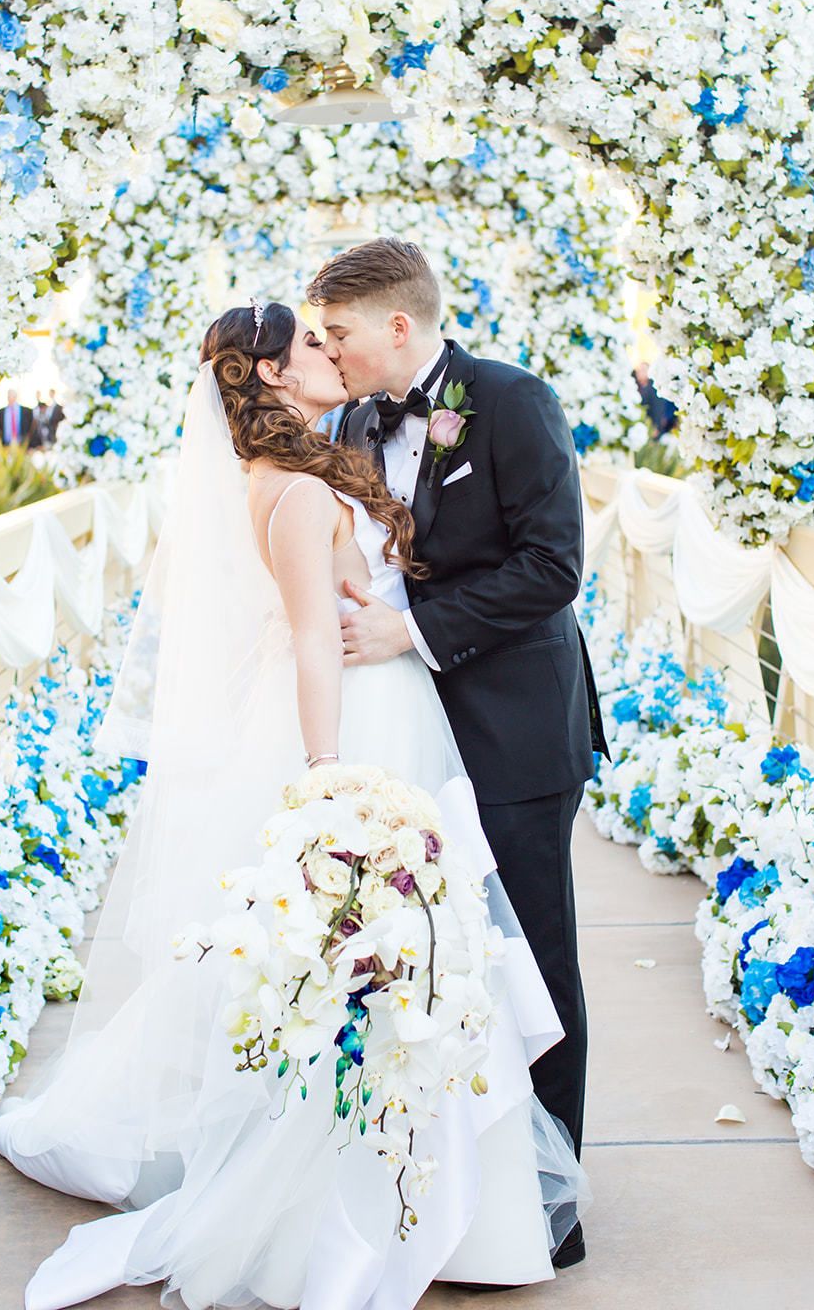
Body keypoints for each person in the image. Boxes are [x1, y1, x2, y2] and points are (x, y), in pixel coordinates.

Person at [0, 300, 588, 1310]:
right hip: (355, 727)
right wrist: (326, 775)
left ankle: (432, 1193)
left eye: (330, 333)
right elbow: (314, 636)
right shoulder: (300, 485)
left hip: (393, 709)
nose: (329, 349)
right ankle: (372, 1201)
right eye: (309, 342)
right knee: (385, 960)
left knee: (399, 958)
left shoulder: (314, 456)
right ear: (268, 375)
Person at [306, 237, 611, 1271]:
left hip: (515, 733)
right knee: (420, 958)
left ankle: (548, 1201)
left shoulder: (512, 400)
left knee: (534, 959)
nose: (328, 350)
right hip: (403, 736)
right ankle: (439, 1190)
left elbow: (551, 564)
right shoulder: (348, 420)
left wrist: (413, 633)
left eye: (338, 332)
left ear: (398, 324)